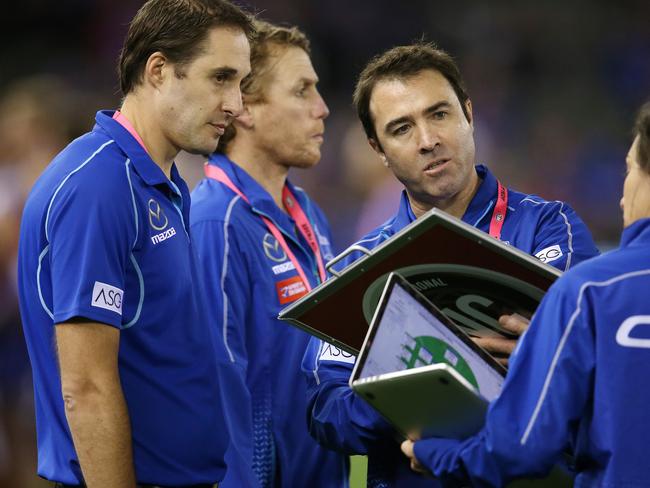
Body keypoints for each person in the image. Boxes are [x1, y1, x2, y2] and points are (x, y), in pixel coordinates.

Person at [302, 42, 599, 486]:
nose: (428, 141)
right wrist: (415, 394)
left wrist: (545, 360)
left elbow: (592, 364)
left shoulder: (550, 227)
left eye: (439, 114)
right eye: (401, 129)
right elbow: (325, 409)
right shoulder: (358, 269)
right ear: (377, 149)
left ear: (469, 114)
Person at [17, 1, 253, 486]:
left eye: (241, 84)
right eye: (221, 78)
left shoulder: (158, 182)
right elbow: (86, 388)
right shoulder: (99, 186)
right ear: (159, 70)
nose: (236, 104)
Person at [401, 101, 650, 487]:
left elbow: (520, 449)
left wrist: (438, 454)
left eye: (630, 169)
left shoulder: (590, 291)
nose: (622, 194)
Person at [190, 20, 347, 488]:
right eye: (302, 91)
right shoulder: (215, 221)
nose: (322, 110)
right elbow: (218, 386)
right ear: (245, 108)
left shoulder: (310, 215)